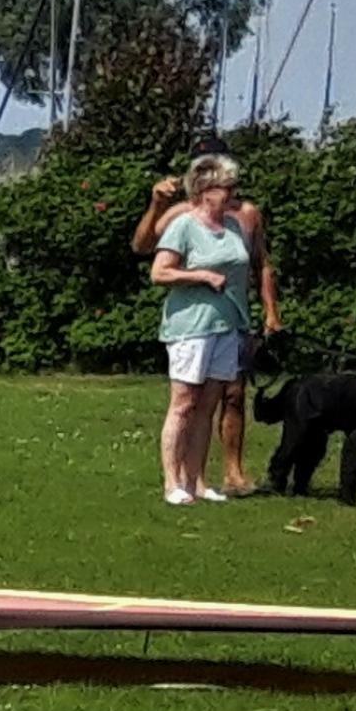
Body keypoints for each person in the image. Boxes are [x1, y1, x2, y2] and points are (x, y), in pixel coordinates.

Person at [133, 156, 281, 493]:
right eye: (226, 187)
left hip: (227, 324)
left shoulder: (234, 226)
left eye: (234, 187)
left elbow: (257, 265)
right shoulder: (183, 224)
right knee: (184, 402)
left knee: (209, 404)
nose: (233, 193)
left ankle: (197, 481)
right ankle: (173, 484)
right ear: (204, 191)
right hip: (191, 325)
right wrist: (200, 276)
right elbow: (159, 272)